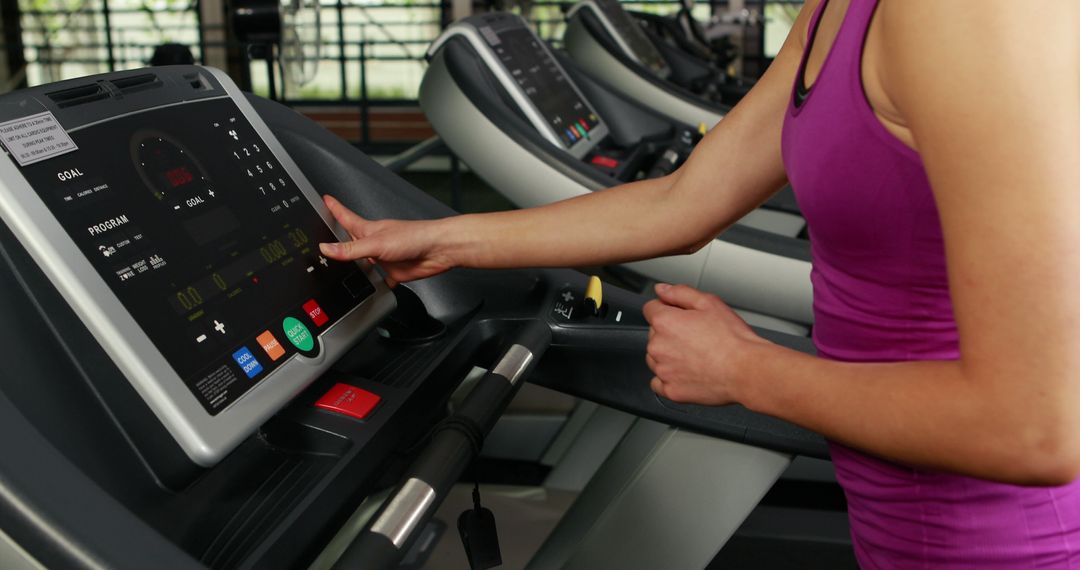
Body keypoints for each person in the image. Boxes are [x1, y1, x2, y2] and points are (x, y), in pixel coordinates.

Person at [319, 0, 1080, 565]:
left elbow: (1036, 425)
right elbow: (684, 200)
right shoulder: (835, 14)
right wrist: (442, 239)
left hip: (1011, 539)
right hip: (900, 518)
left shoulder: (974, 15)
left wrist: (746, 369)